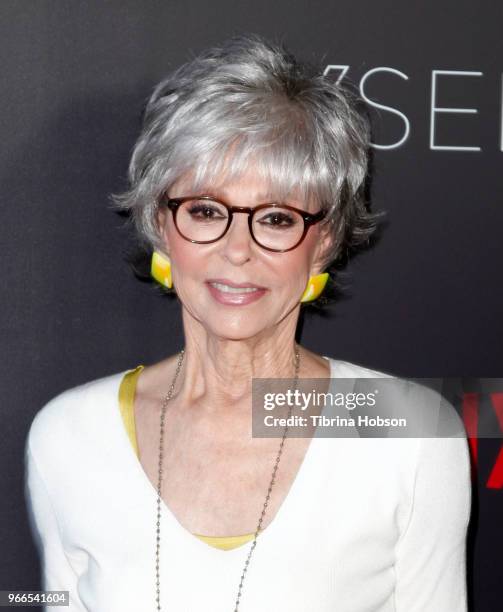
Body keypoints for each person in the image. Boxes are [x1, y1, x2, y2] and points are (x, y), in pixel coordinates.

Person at [24, 34, 471, 611]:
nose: (238, 250)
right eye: (206, 210)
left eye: (278, 218)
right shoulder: (68, 434)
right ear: (161, 224)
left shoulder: (406, 429)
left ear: (324, 242)